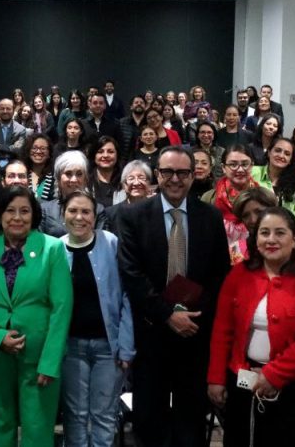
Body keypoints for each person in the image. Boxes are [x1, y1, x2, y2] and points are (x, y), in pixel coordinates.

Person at [117, 146, 231, 447]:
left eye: (182, 172)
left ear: (194, 176)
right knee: (149, 421)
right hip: (151, 332)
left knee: (191, 423)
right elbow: (131, 274)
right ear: (158, 175)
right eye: (168, 172)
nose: (175, 179)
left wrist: (191, 316)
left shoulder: (210, 216)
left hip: (195, 333)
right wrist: (168, 314)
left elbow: (220, 273)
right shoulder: (133, 216)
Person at [207, 208, 295, 447]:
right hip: (244, 379)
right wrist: (216, 378)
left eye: (280, 233)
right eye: (264, 233)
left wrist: (272, 375)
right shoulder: (238, 275)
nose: (271, 240)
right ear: (256, 239)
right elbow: (222, 329)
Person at [0, 185, 74, 447]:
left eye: (24, 211)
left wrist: (50, 362)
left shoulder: (52, 248)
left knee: (37, 430)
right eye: (10, 210)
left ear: (33, 215)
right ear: (0, 214)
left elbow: (62, 308)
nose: (17, 217)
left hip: (38, 357)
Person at [60, 190, 135, 447]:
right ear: (63, 215)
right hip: (71, 348)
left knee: (104, 415)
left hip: (108, 348)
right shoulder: (55, 249)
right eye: (73, 211)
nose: (79, 217)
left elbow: (126, 296)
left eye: (86, 212)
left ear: (95, 216)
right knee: (75, 415)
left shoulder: (111, 242)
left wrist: (126, 346)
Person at [202, 145, 259, 264]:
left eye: (245, 164)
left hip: (255, 262)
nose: (240, 169)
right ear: (223, 167)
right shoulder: (209, 198)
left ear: (252, 165)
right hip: (218, 262)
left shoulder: (263, 198)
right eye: (233, 164)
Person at [250, 136, 295, 236]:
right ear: (269, 152)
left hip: (286, 237)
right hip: (254, 234)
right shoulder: (252, 173)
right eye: (278, 150)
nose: (281, 155)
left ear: (291, 160)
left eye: (287, 154)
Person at [88, 135, 121, 207]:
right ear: (94, 156)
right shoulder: (86, 181)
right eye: (100, 152)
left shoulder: (125, 181)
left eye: (110, 152)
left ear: (117, 155)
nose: (105, 155)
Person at [22, 134, 56, 202]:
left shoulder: (54, 177)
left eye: (43, 148)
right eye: (34, 148)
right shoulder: (21, 173)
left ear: (49, 153)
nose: (38, 152)